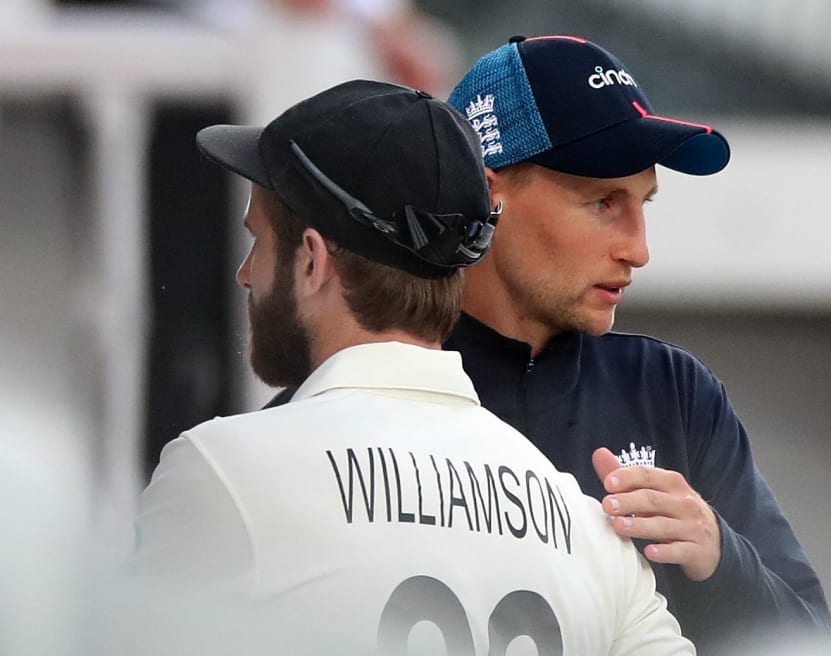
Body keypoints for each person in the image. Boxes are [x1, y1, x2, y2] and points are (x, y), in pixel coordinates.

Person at [132, 79, 695, 655]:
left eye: (259, 242)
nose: (245, 272)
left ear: (312, 259)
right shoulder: (590, 532)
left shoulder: (224, 473)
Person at [442, 35, 831, 651]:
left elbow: (815, 644)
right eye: (603, 202)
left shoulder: (672, 390)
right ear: (489, 194)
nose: (639, 249)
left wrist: (717, 554)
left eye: (644, 203)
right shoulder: (375, 380)